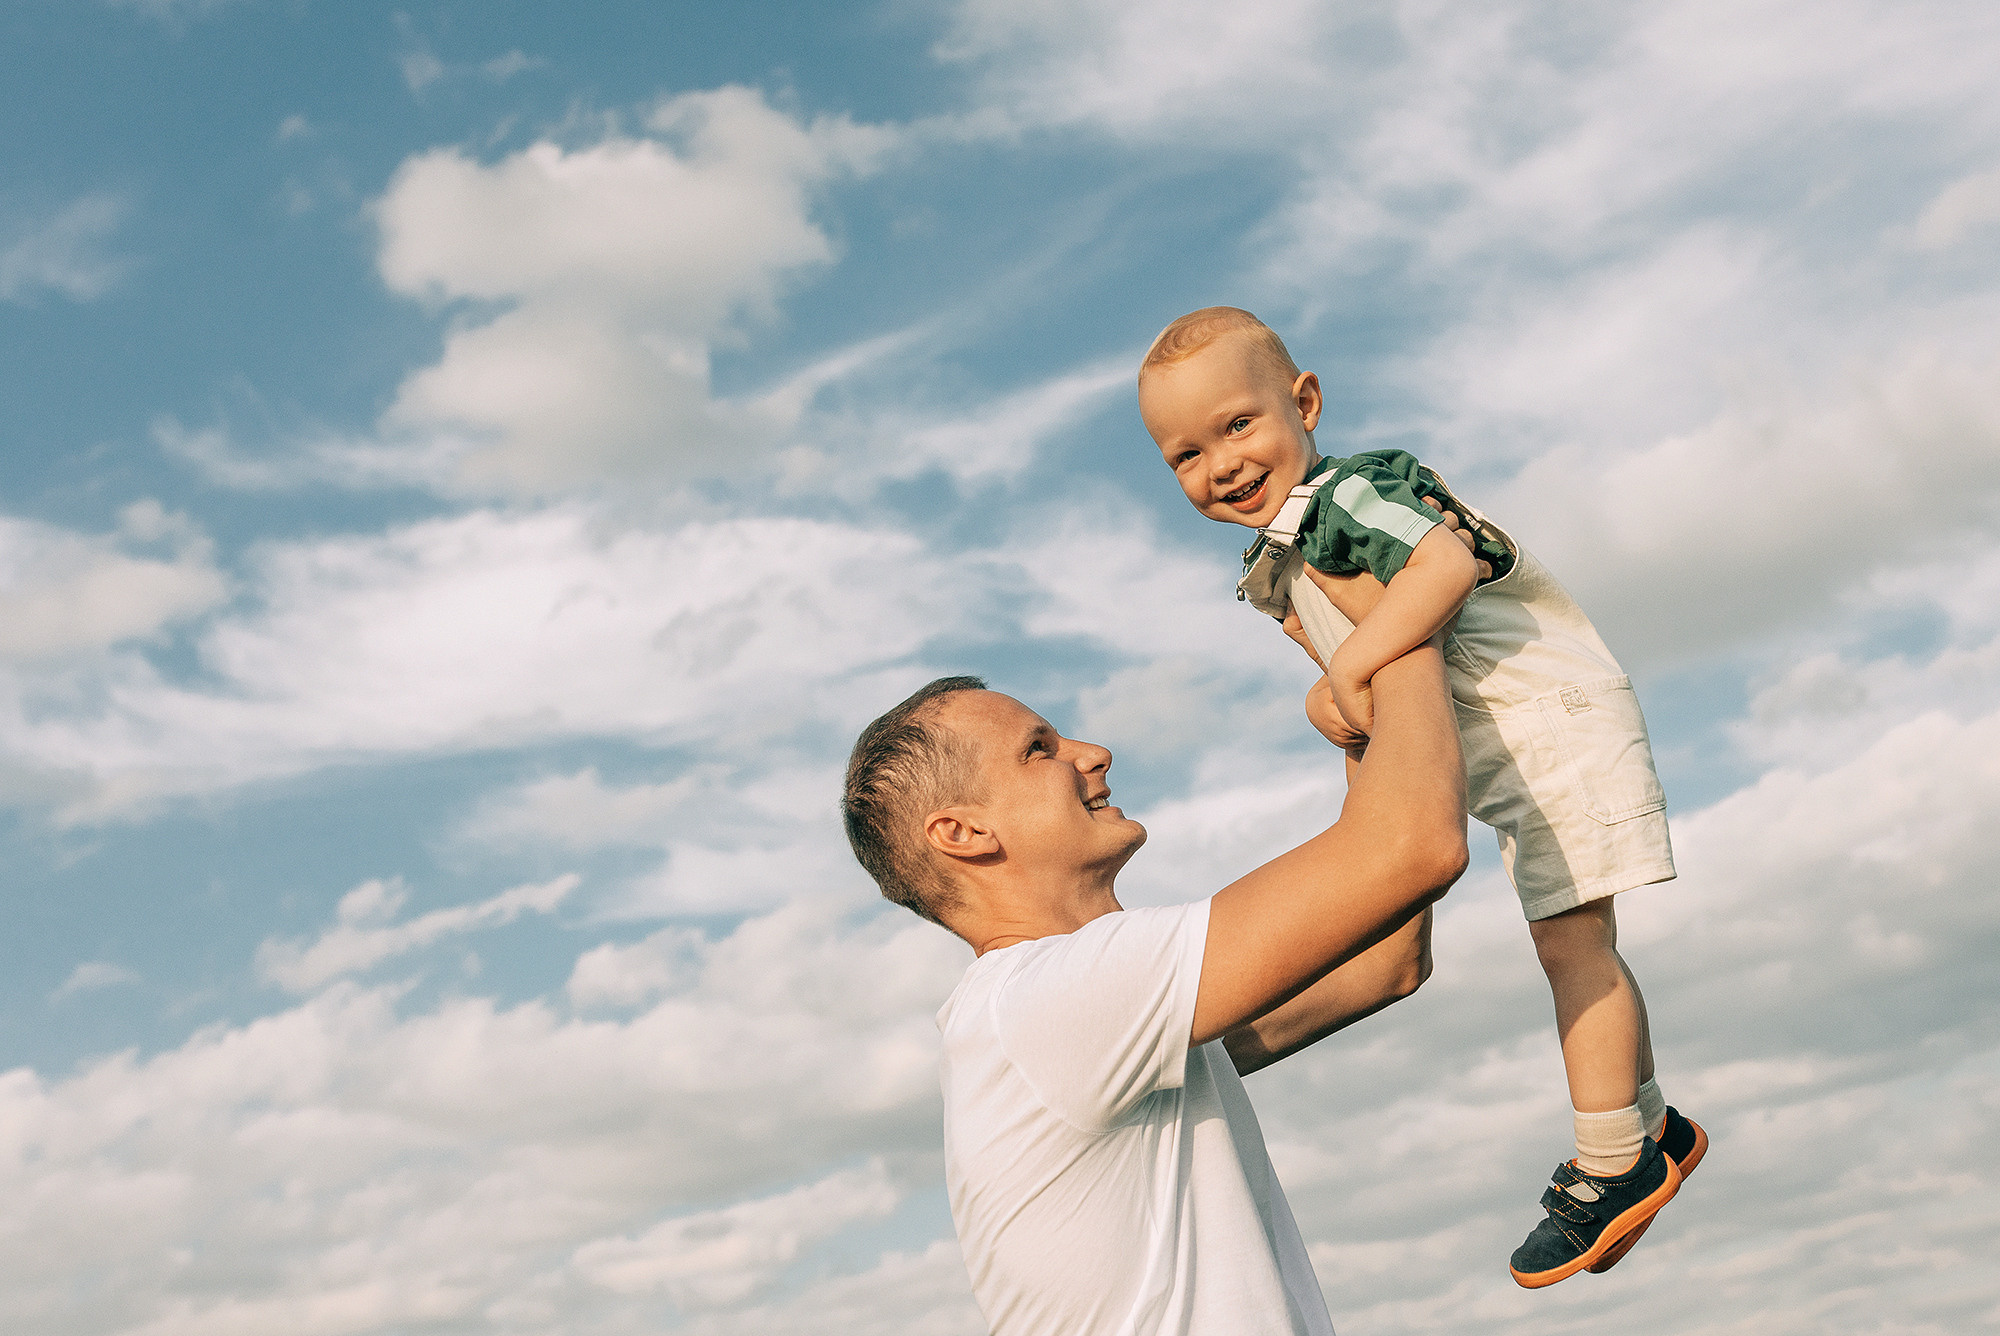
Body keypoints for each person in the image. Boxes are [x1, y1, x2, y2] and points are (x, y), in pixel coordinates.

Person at [1136, 305, 1706, 1287]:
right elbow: (1346, 653)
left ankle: (1612, 1158)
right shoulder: (1274, 560)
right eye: (1185, 453)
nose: (1220, 464)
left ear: (1303, 402)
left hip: (1544, 712)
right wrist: (1332, 682)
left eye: (1238, 425)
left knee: (1569, 939)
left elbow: (1444, 562)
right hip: (1500, 737)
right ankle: (1648, 1127)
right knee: (1568, 936)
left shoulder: (1352, 492)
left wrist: (1350, 660)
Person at [842, 635, 1469, 1334]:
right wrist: (1403, 617)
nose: (1092, 752)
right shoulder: (1046, 998)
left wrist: (1371, 730)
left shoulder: (1084, 1015)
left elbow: (1384, 964)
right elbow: (1416, 848)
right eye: (1039, 749)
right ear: (962, 832)